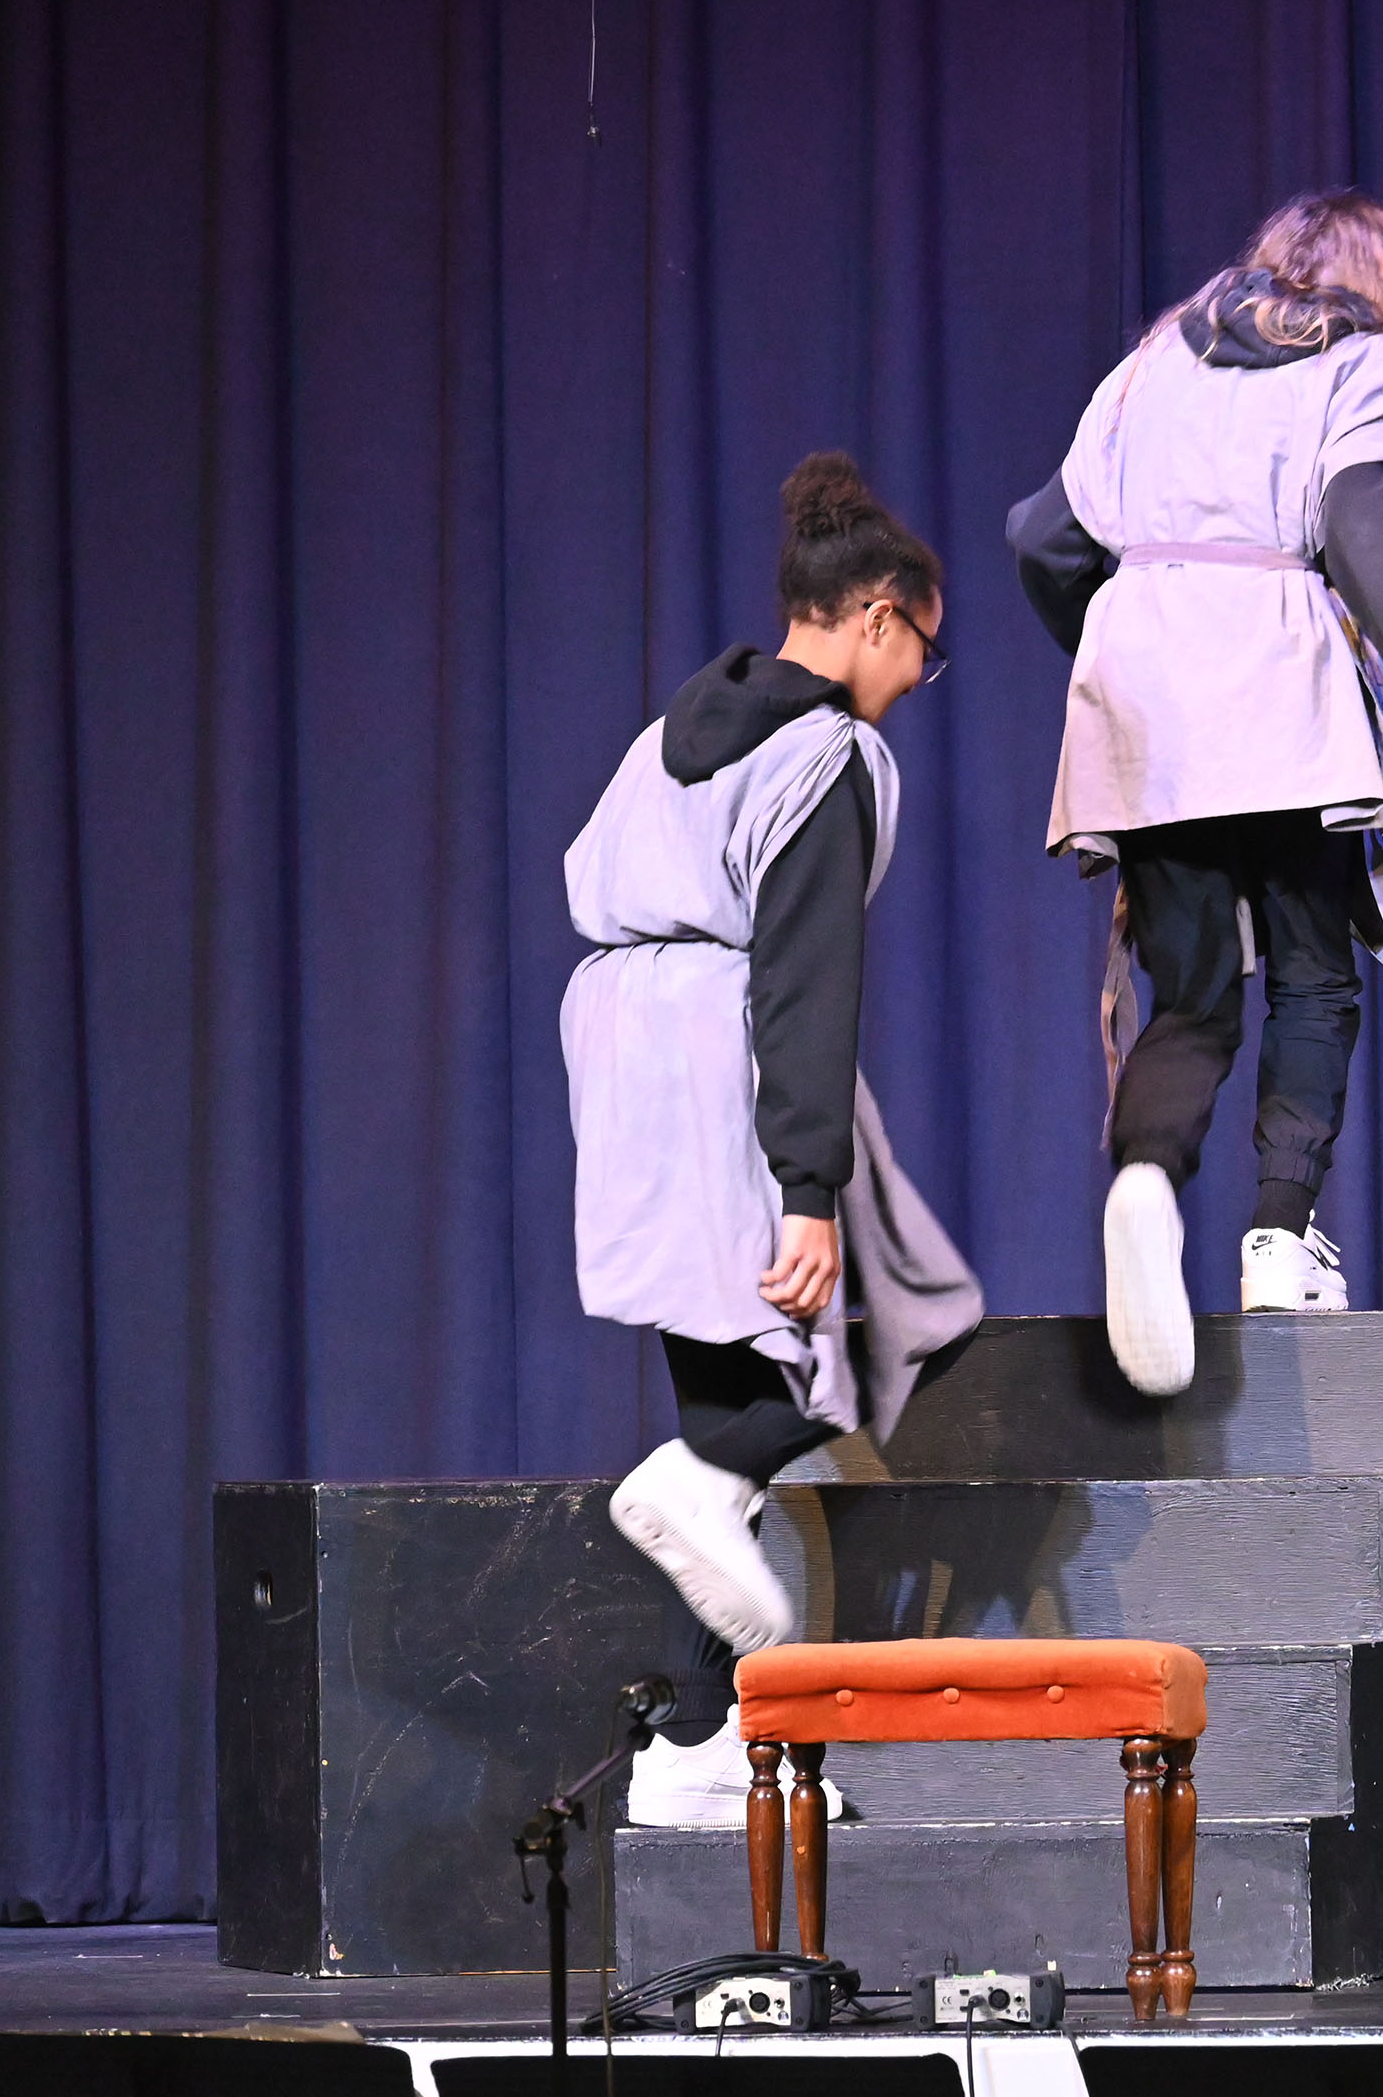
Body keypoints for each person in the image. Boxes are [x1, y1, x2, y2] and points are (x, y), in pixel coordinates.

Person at [1009, 188, 1383, 1395]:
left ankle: (1146, 1177)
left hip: (1143, 704)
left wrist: (1121, 649)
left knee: (1191, 993)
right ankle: (1279, 1239)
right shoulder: (1364, 365)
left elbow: (1042, 538)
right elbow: (1365, 536)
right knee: (1311, 969)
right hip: (1278, 691)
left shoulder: (1152, 367)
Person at [561, 453, 985, 1827]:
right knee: (887, 1329)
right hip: (722, 1047)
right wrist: (808, 1188)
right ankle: (693, 1488)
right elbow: (809, 979)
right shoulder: (827, 756)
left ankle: (698, 1740)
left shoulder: (670, 730)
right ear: (877, 614)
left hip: (619, 1040)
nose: (919, 677)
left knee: (729, 1379)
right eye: (923, 649)